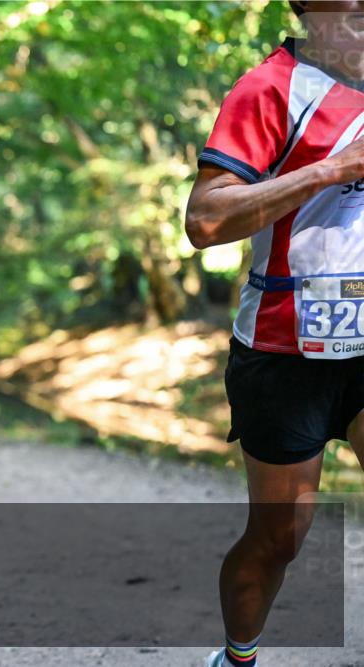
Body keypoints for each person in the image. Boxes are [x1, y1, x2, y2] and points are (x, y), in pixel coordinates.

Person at [185, 3, 363, 665]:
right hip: (286, 348)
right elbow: (204, 222)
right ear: (307, 13)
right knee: (279, 537)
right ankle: (237, 655)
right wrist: (333, 169)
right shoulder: (272, 88)